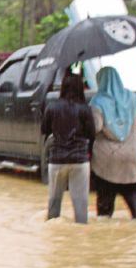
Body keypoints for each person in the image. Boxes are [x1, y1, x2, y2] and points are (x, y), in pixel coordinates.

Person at [89, 66, 136, 219]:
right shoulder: (133, 98)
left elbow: (95, 127)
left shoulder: (97, 102)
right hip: (132, 157)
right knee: (134, 197)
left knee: (105, 206)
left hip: (107, 160)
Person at [41, 72, 95, 224]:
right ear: (80, 88)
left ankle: (54, 235)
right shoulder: (85, 108)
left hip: (57, 160)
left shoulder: (52, 107)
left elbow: (44, 130)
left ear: (63, 88)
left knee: (54, 204)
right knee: (81, 207)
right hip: (80, 160)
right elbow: (92, 134)